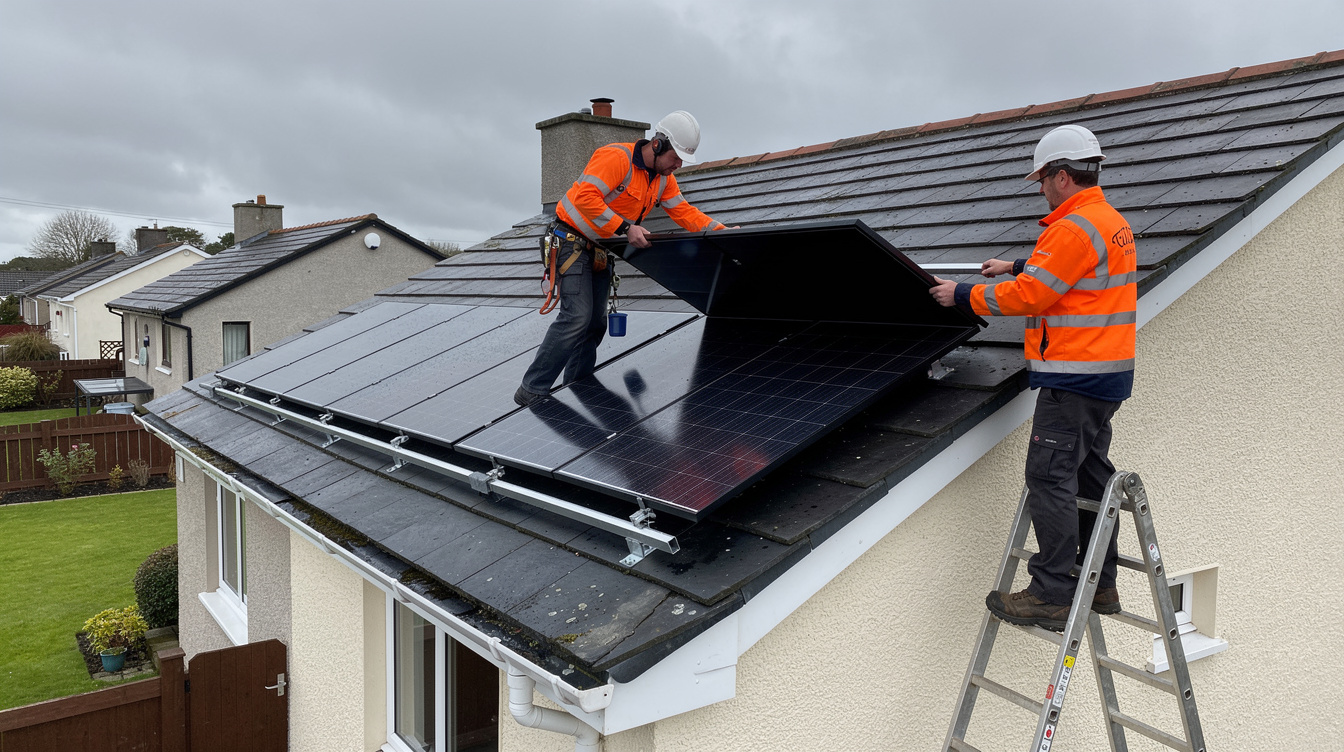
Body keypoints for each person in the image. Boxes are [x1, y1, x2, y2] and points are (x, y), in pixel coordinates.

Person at [929, 124, 1138, 632]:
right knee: (1089, 476)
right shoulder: (1107, 221)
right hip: (1106, 375)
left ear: (1062, 176)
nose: (1041, 188)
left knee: (1049, 478)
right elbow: (1076, 274)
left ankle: (1051, 593)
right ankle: (1101, 582)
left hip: (1073, 379)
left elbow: (1032, 296)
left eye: (1043, 179)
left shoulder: (1070, 229)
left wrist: (962, 295)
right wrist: (1017, 264)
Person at [514, 110, 729, 407]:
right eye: (676, 157)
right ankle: (532, 389)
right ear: (657, 145)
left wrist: (722, 232)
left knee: (595, 324)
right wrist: (626, 228)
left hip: (601, 250)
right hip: (570, 242)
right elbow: (585, 198)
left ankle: (577, 385)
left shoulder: (663, 179)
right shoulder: (616, 158)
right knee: (576, 316)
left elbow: (685, 212)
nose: (678, 165)